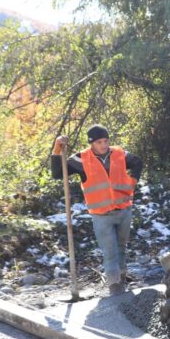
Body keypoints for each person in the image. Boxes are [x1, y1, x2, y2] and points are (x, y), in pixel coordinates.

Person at [51, 125, 143, 296]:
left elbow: (138, 162)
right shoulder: (81, 159)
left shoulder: (119, 154)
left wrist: (133, 180)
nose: (103, 145)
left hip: (124, 210)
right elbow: (57, 173)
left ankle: (121, 284)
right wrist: (57, 147)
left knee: (122, 248)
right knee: (110, 253)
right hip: (101, 216)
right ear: (91, 143)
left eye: (106, 141)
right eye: (99, 142)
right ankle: (115, 290)